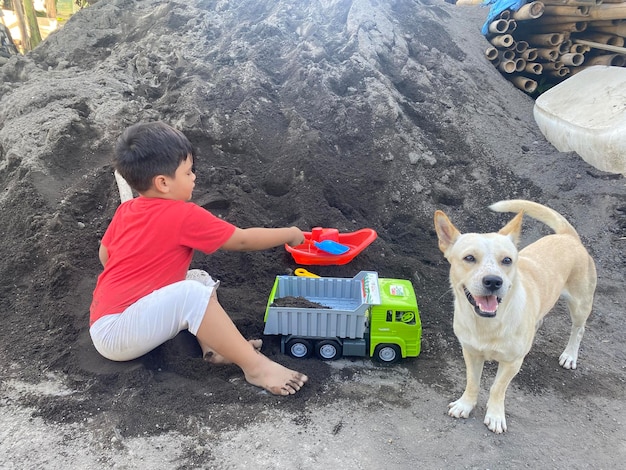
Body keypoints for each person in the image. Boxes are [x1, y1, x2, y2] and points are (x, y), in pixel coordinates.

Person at [89, 121, 308, 396]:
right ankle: (257, 368)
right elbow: (240, 240)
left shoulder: (127, 210)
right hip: (118, 335)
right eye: (188, 171)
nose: (194, 177)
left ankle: (214, 348)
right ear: (163, 183)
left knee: (198, 278)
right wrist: (290, 233)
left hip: (107, 319)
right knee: (191, 293)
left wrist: (139, 283)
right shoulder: (183, 215)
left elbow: (105, 255)